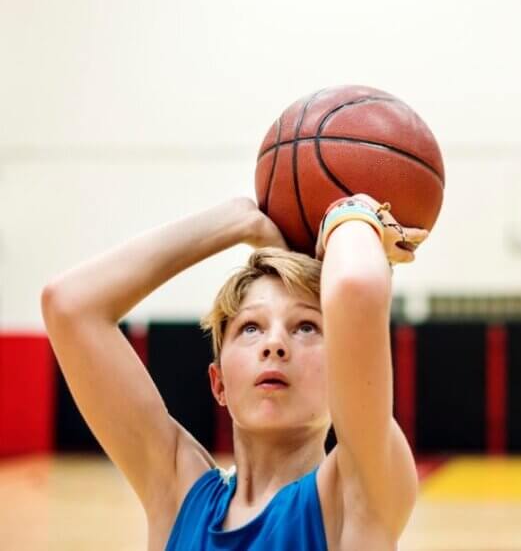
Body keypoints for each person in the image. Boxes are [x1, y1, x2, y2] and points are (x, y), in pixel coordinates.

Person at [41, 194, 428, 550]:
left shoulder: (353, 493)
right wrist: (240, 221)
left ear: (339, 375)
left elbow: (357, 287)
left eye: (306, 327)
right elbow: (69, 305)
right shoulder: (180, 496)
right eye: (251, 327)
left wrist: (350, 214)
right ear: (219, 383)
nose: (274, 344)